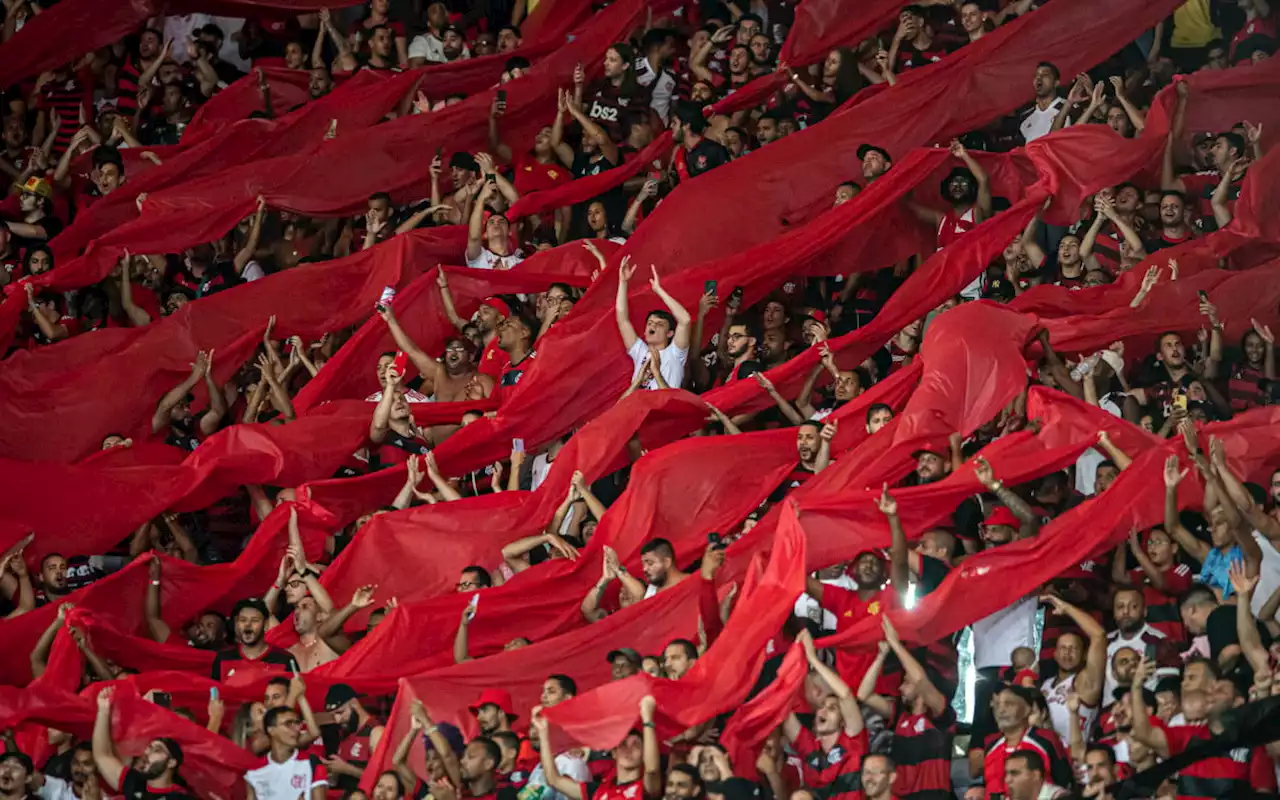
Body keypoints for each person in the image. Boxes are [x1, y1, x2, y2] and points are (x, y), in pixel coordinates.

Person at [782, 630, 867, 798]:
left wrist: (813, 659)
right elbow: (782, 709)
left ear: (843, 721)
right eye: (822, 707)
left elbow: (846, 695)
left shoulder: (853, 741)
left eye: (832, 708)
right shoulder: (809, 746)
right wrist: (797, 659)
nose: (823, 710)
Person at [92, 688, 195, 799]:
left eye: (157, 750)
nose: (147, 753)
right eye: (149, 747)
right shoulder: (135, 783)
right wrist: (103, 710)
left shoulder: (179, 797)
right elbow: (102, 755)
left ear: (171, 762)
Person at [615, 257, 692, 390]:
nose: (653, 326)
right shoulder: (640, 351)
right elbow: (622, 319)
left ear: (670, 333)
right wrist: (623, 283)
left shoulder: (675, 353)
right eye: (650, 323)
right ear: (644, 331)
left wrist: (658, 290)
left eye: (660, 324)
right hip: (637, 409)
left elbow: (685, 320)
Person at [244, 705, 328, 799]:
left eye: (296, 723)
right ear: (271, 730)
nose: (296, 729)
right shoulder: (254, 772)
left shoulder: (312, 763)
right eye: (288, 724)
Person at [211, 598, 296, 681]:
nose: (248, 624)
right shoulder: (223, 659)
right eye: (243, 620)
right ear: (236, 624)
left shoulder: (284, 660)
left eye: (255, 620)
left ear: (266, 625)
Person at [323, 684, 385, 793]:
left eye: (340, 712)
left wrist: (346, 769)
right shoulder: (345, 732)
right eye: (333, 715)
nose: (337, 720)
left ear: (354, 703)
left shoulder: (376, 732)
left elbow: (383, 779)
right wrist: (331, 770)